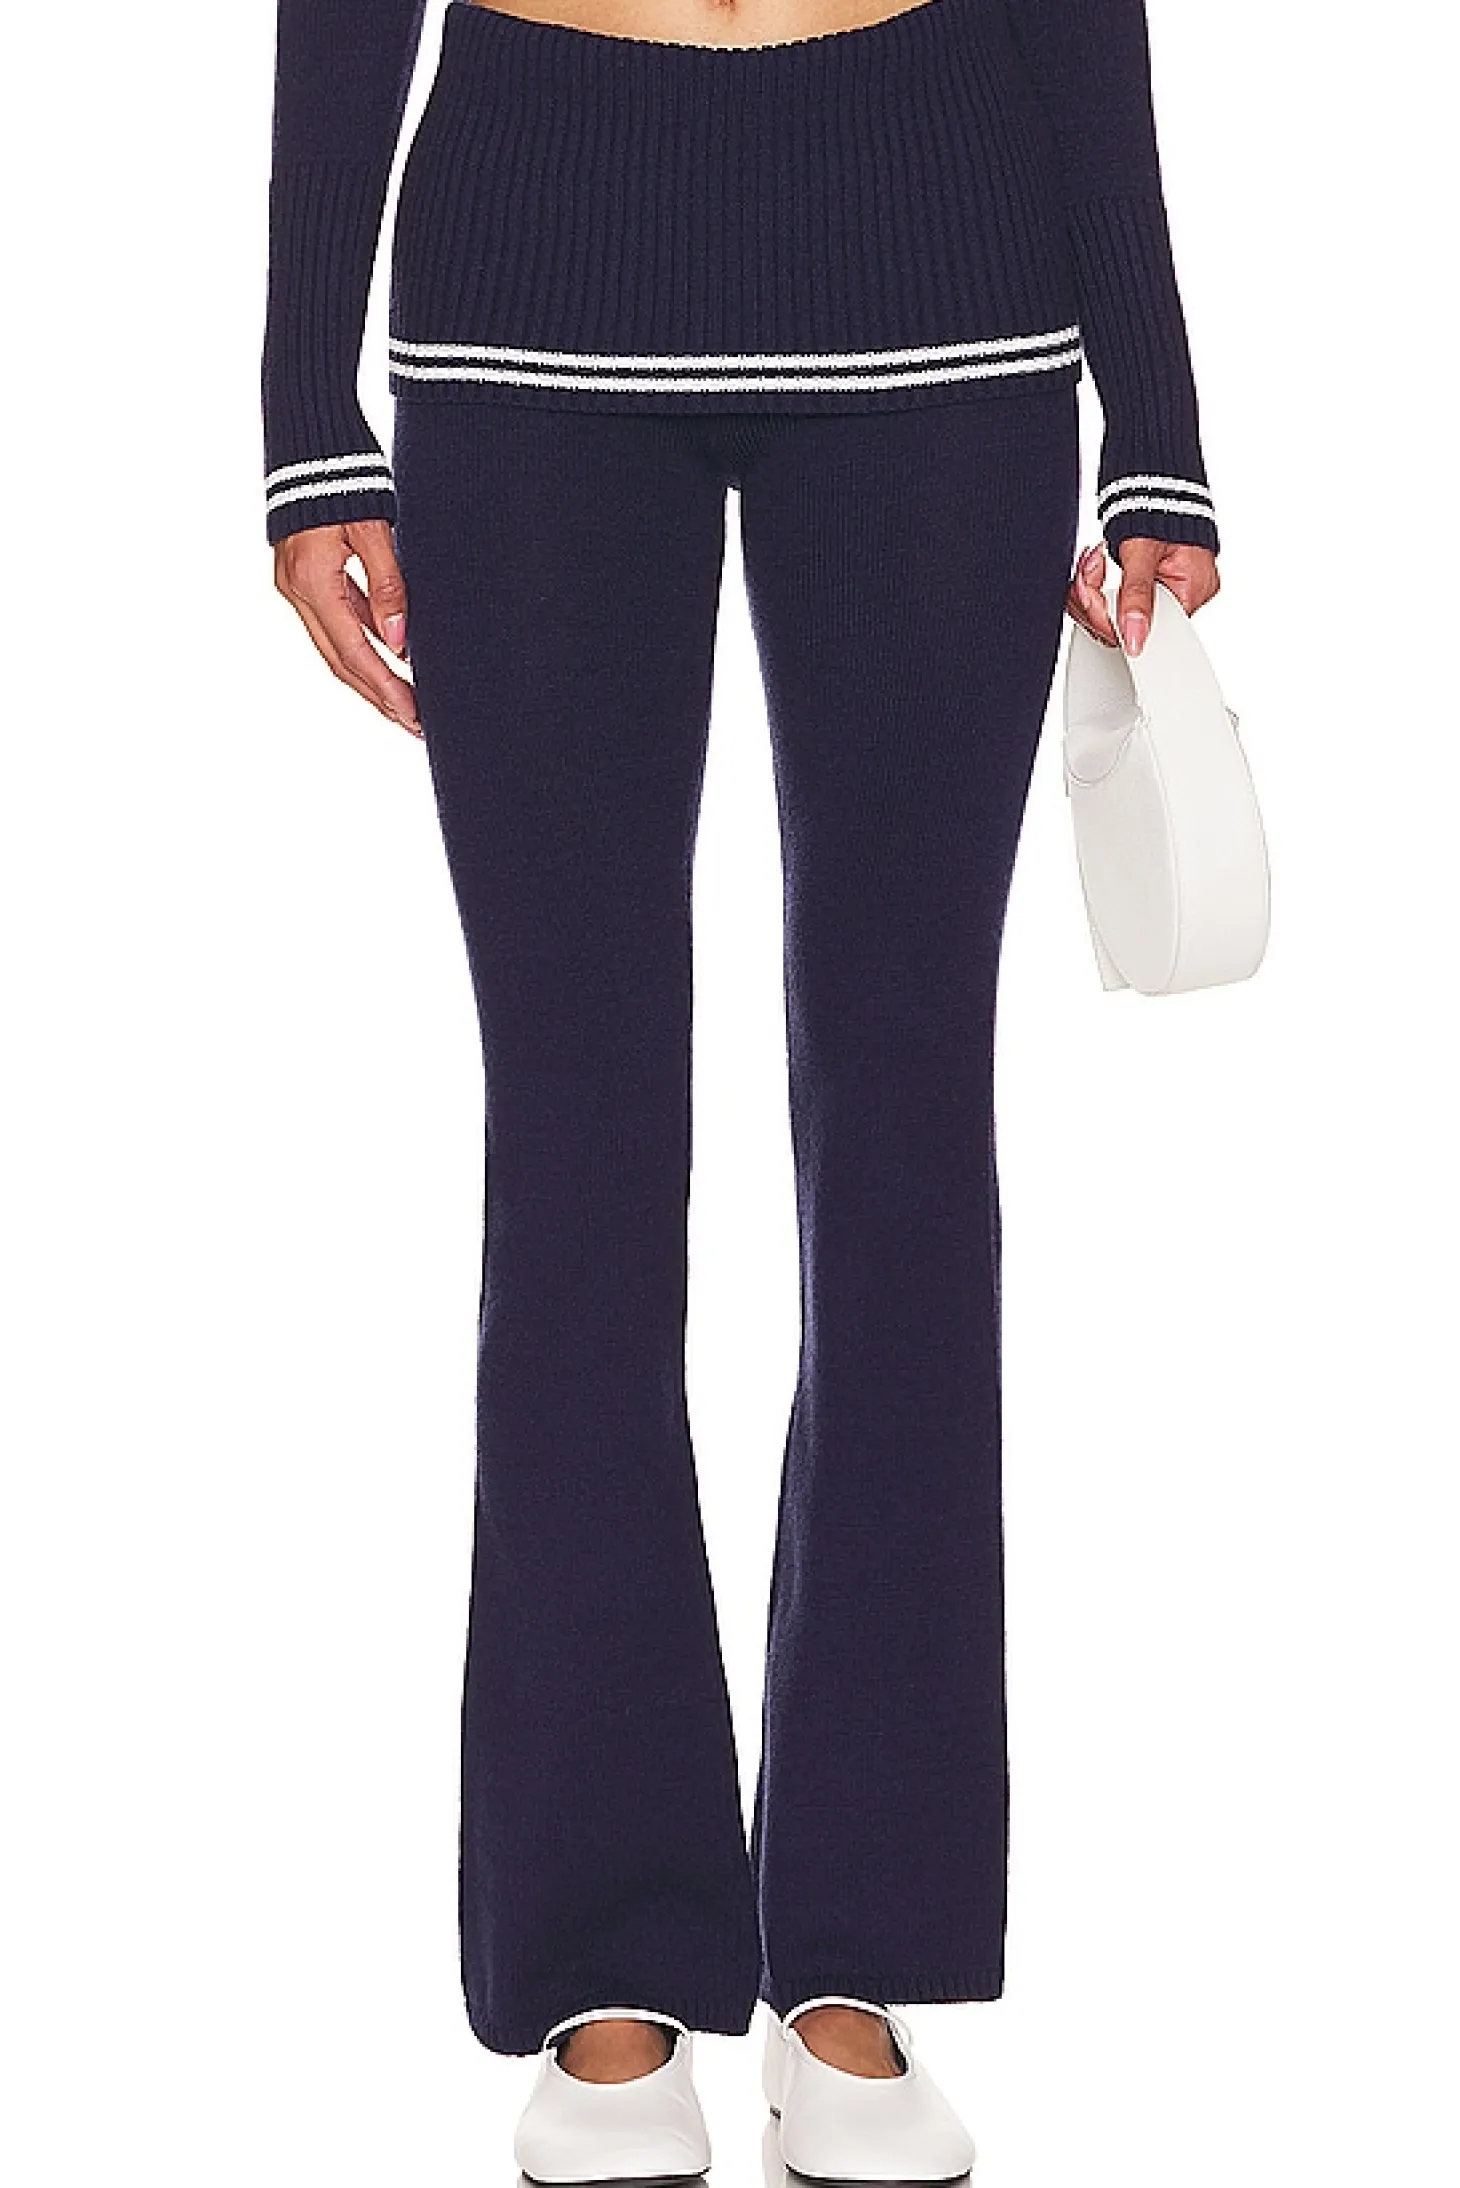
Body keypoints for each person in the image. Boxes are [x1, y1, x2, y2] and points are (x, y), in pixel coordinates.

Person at [263, 0, 1221, 2177]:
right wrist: (305, 408)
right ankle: (602, 1958)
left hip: (943, 286)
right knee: (578, 1150)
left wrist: (1156, 416)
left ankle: (857, 1957)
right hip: (530, 286)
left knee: (905, 1142)